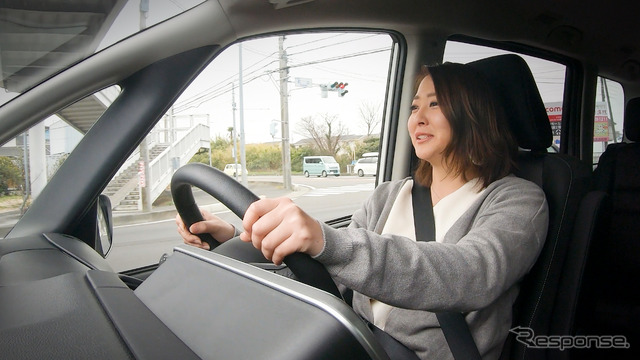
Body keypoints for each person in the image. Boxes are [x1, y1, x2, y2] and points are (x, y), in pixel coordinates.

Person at [176, 62, 549, 360]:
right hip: (355, 338)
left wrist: (330, 241)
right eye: (415, 105)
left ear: (474, 114)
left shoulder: (518, 200)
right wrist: (235, 242)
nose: (417, 117)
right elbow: (326, 276)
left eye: (434, 104)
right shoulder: (389, 195)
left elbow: (472, 273)